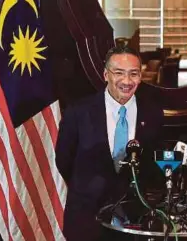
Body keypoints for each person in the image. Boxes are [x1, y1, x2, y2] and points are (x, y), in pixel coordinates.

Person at [55, 46, 164, 241]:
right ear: (106, 74)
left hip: (134, 220)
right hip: (86, 218)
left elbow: (154, 164)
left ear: (141, 76)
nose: (127, 81)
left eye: (134, 74)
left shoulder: (153, 113)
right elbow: (64, 161)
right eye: (119, 73)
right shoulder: (79, 112)